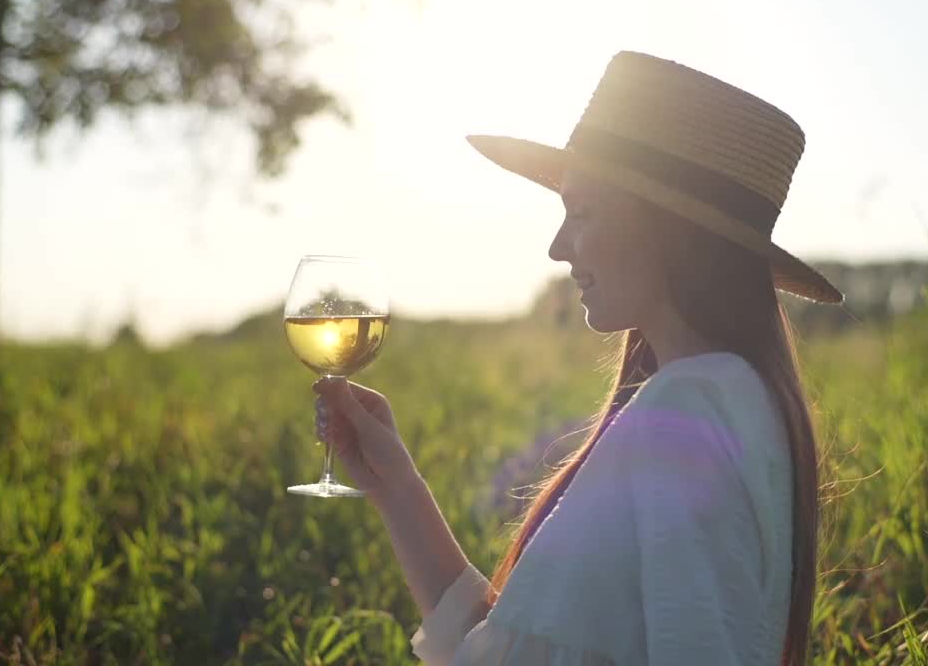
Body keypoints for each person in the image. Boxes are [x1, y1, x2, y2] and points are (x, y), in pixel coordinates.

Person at [312, 50, 843, 666]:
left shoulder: (692, 408)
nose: (559, 246)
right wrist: (393, 483)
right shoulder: (720, 397)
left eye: (583, 212)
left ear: (668, 228)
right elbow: (510, 651)